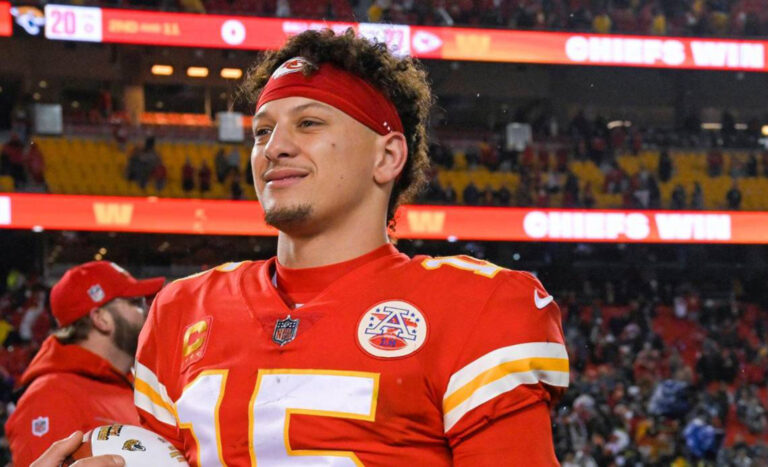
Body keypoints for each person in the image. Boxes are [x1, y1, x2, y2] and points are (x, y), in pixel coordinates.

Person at [60, 29, 567, 465]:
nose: (274, 147)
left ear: (387, 156)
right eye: (262, 131)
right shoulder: (181, 310)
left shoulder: (477, 308)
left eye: (308, 123)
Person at [7, 261, 164, 466]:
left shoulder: (129, 383)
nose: (146, 311)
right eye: (134, 303)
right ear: (101, 319)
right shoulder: (51, 396)